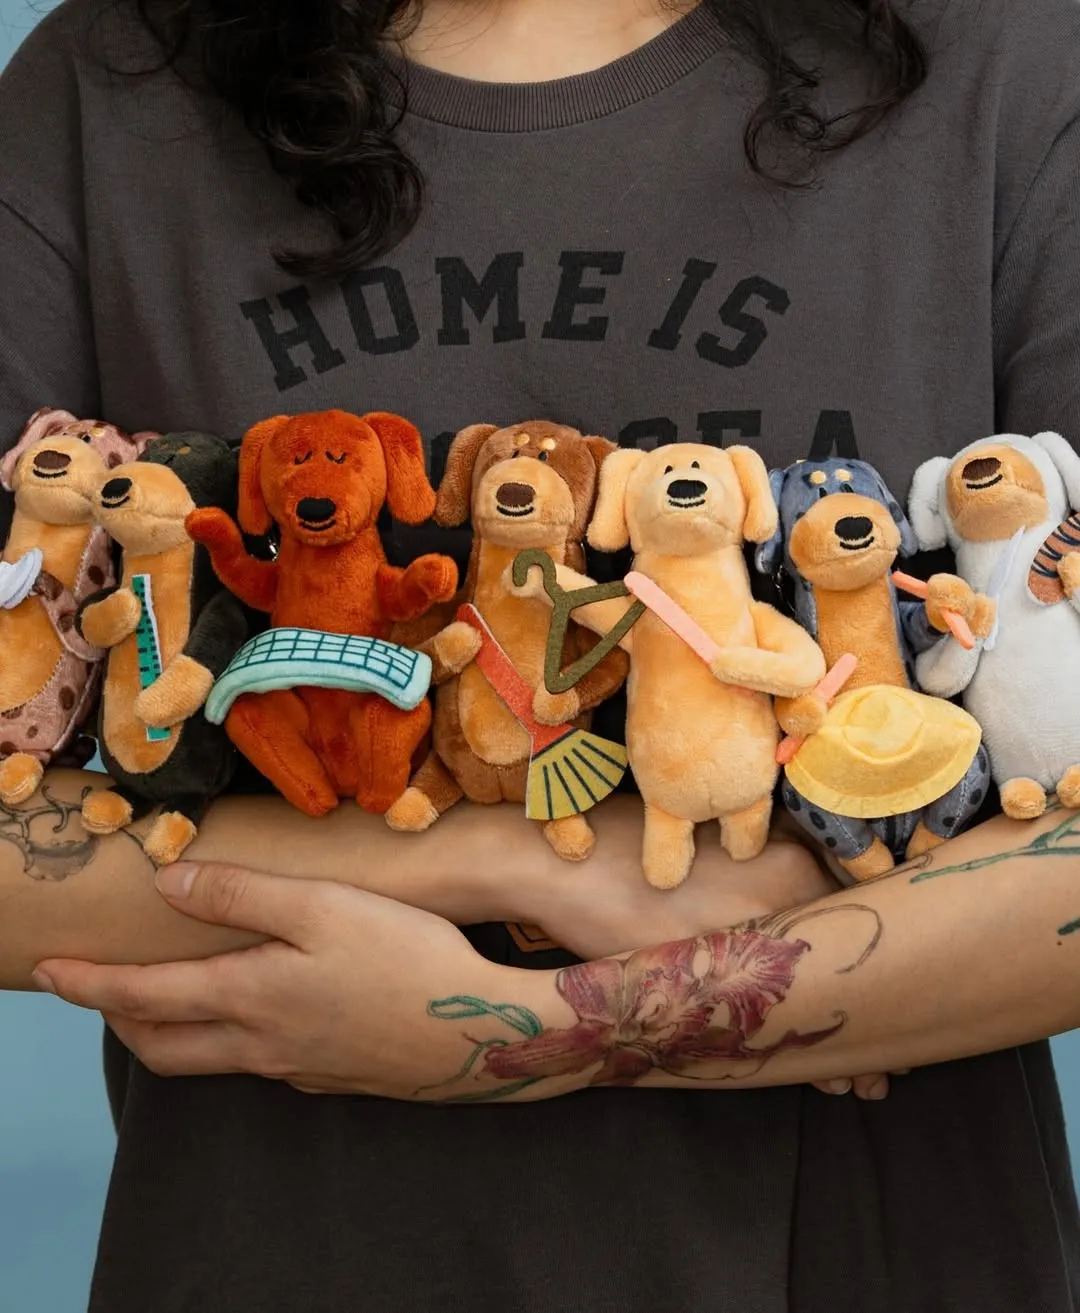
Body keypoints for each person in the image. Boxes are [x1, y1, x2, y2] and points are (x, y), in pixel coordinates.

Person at [2, 0, 1080, 1308]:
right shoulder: (113, 88)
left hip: (884, 1258)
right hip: (280, 1255)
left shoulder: (1008, 67)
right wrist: (509, 861)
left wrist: (539, 1031)